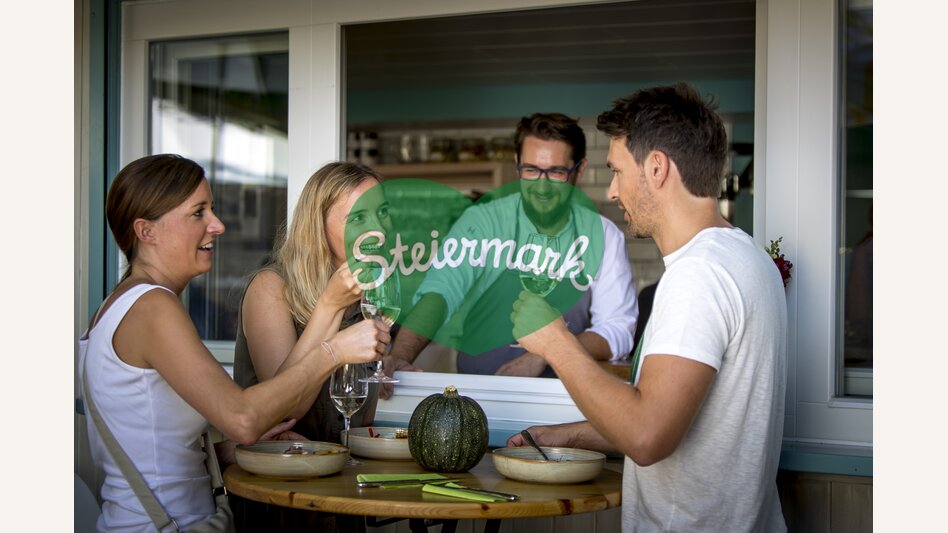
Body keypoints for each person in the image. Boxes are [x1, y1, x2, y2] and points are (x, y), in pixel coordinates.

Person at [507, 84, 788, 532]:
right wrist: (565, 435)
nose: (614, 191)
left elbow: (647, 435)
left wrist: (555, 342)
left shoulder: (699, 275)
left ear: (656, 168)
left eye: (618, 171)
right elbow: (679, 417)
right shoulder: (746, 256)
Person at [78, 154, 389, 532]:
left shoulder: (124, 304)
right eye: (198, 213)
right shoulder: (152, 307)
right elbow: (243, 419)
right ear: (147, 231)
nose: (218, 225)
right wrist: (335, 350)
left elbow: (149, 437)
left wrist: (225, 451)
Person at [379, 113, 637, 386]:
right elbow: (439, 295)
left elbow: (617, 329)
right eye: (531, 170)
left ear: (580, 170)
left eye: (556, 172)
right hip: (478, 394)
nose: (542, 187)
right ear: (516, 165)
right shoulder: (482, 222)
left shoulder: (603, 235)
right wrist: (400, 355)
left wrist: (546, 354)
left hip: (565, 399)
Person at [232, 161, 390, 531]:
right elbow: (282, 412)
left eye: (382, 213)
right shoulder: (271, 288)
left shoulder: (368, 297)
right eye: (359, 217)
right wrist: (330, 305)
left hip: (338, 488)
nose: (378, 229)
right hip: (280, 494)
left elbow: (356, 418)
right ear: (318, 223)